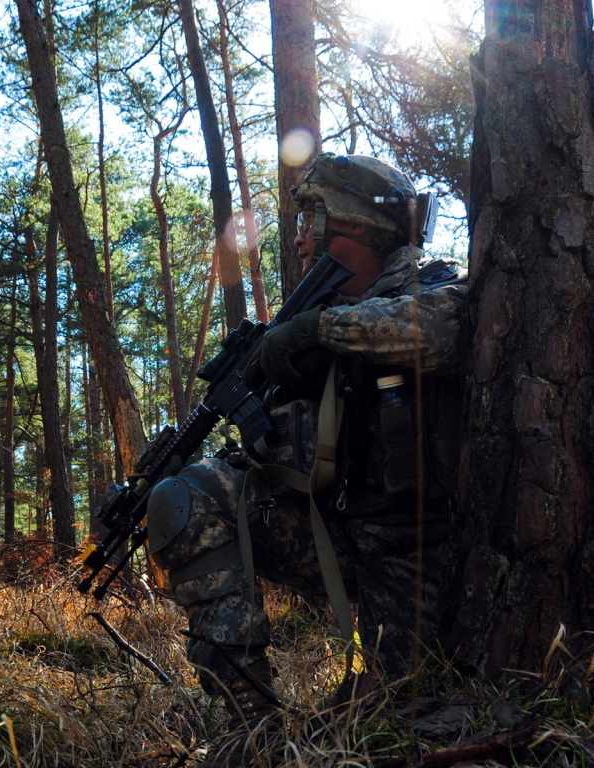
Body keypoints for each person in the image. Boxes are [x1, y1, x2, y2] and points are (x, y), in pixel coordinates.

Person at [144, 153, 467, 767]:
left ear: (351, 226)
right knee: (189, 496)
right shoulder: (306, 328)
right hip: (340, 544)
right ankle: (251, 726)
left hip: (421, 566)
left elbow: (444, 328)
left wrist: (315, 332)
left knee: (390, 718)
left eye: (308, 221)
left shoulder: (437, 290)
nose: (297, 240)